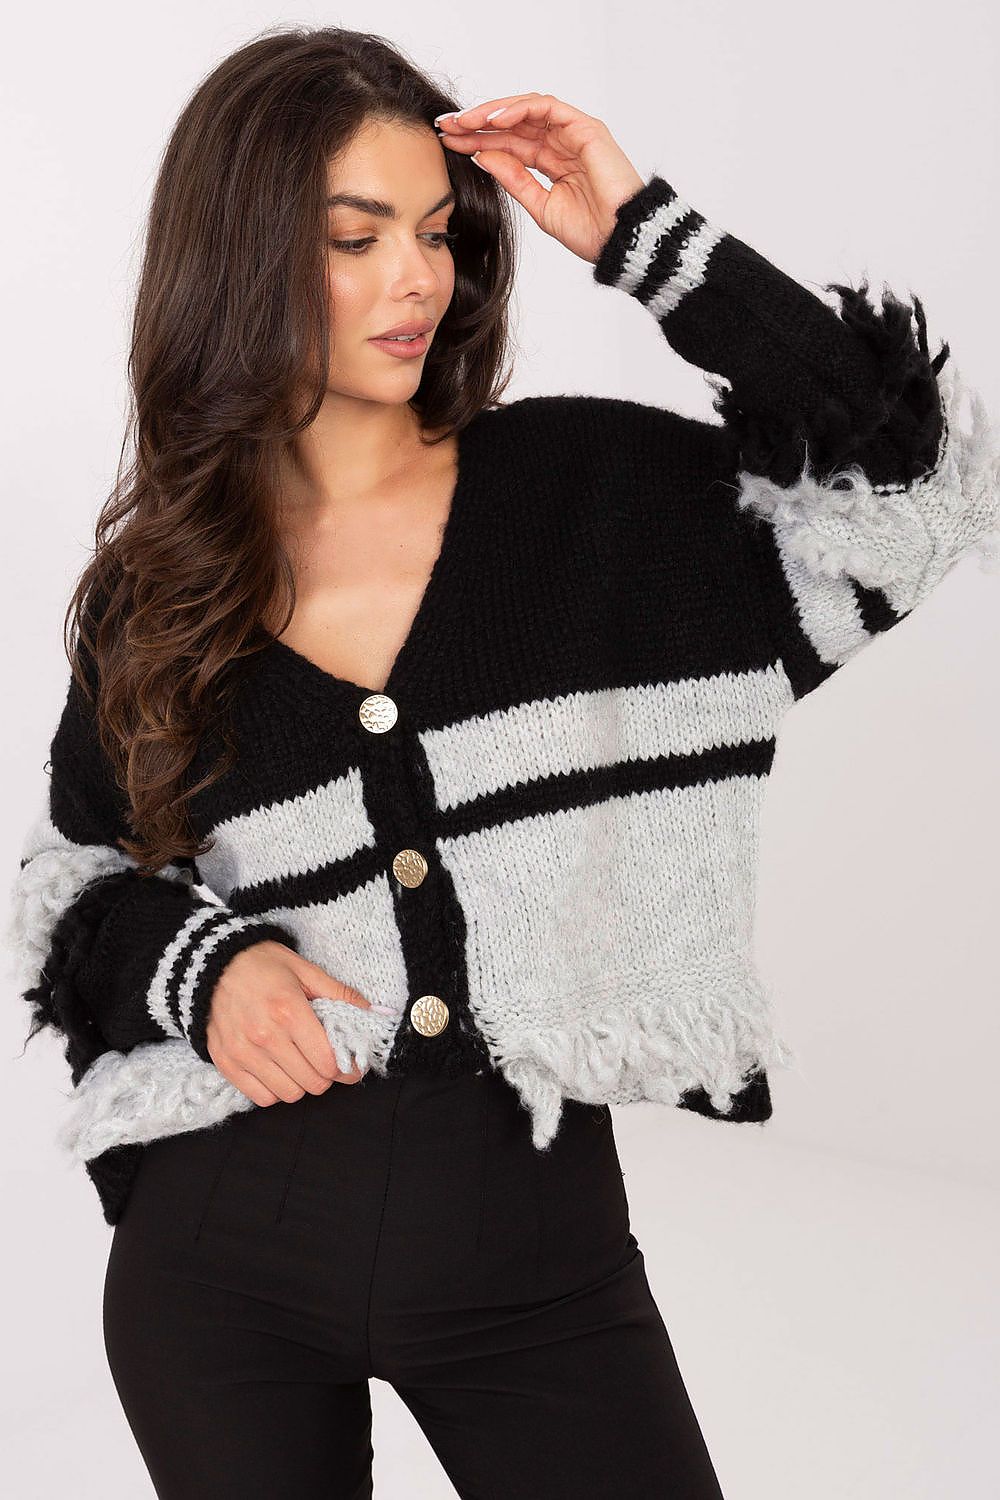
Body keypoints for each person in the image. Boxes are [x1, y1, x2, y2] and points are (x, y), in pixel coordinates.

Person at [8, 25, 998, 1500]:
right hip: (222, 1261)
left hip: (533, 1259)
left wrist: (645, 236)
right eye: (357, 239)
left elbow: (909, 489)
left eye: (437, 232)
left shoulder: (597, 497)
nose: (419, 278)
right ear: (239, 260)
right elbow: (78, 882)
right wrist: (203, 973)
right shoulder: (165, 592)